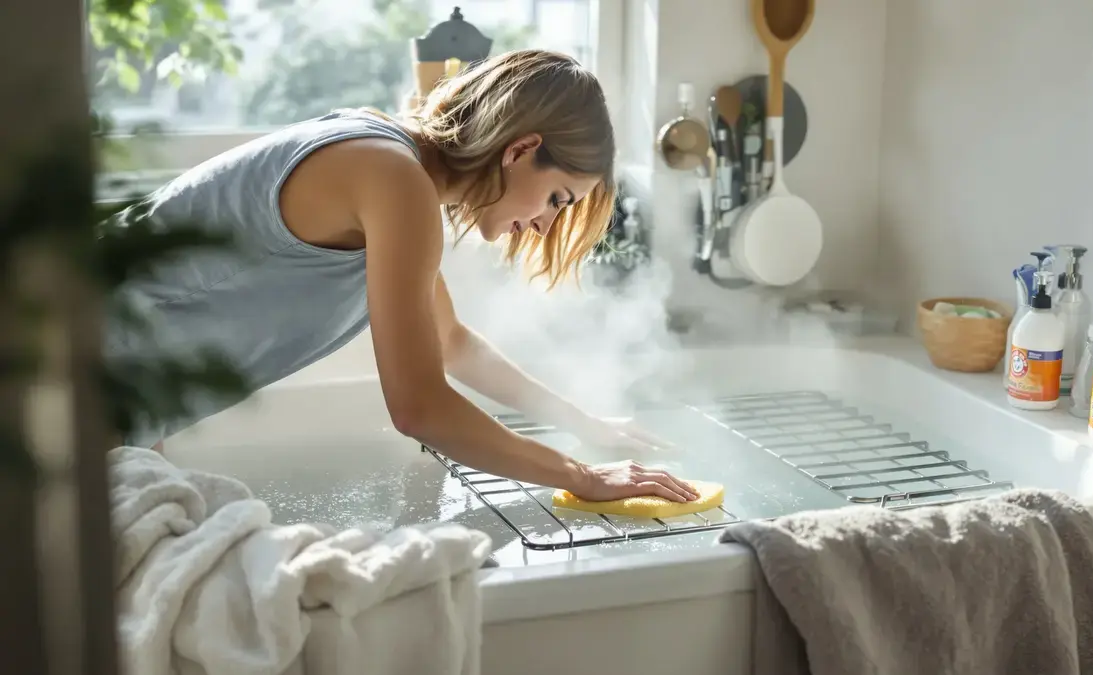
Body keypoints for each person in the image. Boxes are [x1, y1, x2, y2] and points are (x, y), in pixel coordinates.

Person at [104, 49, 698, 504]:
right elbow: (420, 408)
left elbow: (451, 344)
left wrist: (587, 424)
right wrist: (583, 477)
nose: (544, 226)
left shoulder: (394, 166)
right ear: (521, 151)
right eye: (557, 199)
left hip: (109, 386)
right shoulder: (394, 179)